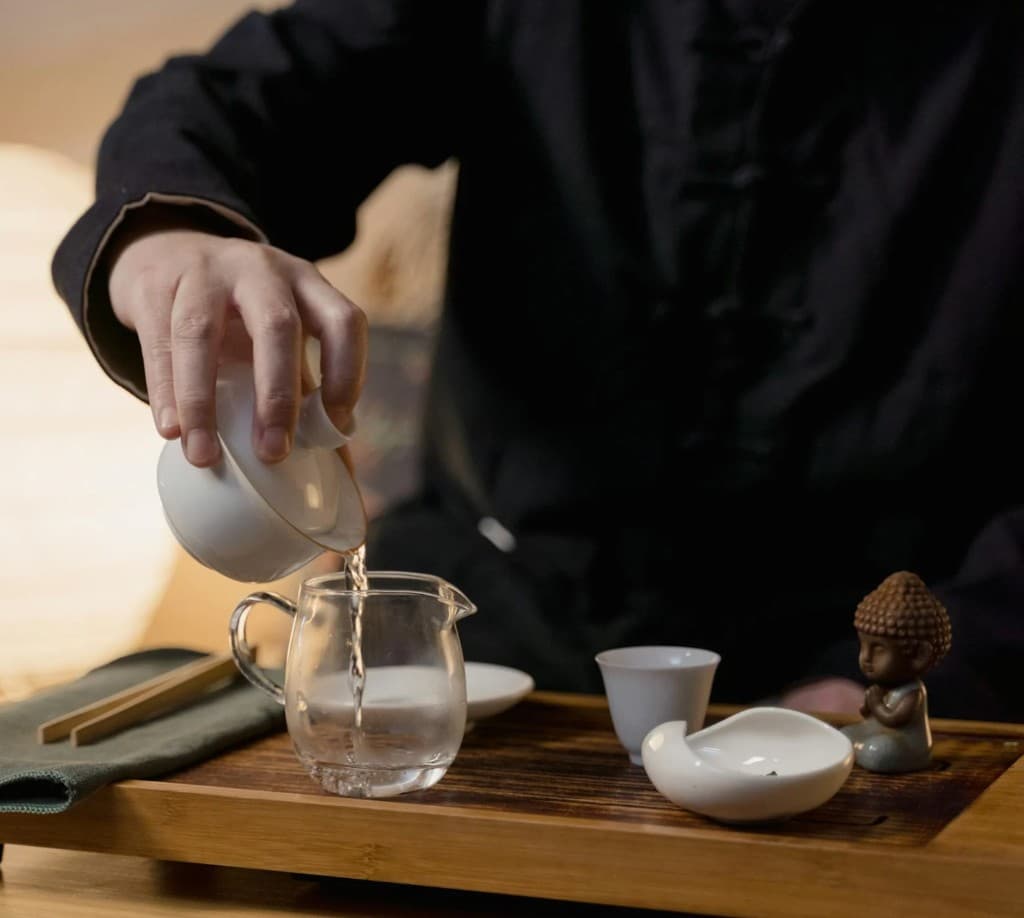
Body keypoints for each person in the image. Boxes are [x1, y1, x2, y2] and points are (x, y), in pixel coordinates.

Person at [52, 2, 1024, 720]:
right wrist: (169, 236)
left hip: (890, 669)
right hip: (489, 652)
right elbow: (245, 96)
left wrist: (931, 670)